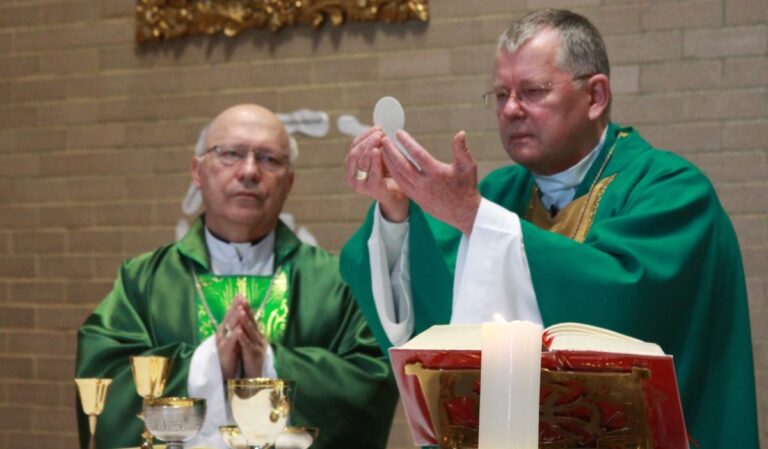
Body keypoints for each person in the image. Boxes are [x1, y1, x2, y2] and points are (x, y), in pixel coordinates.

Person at [340, 9, 759, 449]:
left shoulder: (673, 191)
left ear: (595, 96)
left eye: (532, 91)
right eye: (501, 94)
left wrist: (471, 216)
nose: (511, 109)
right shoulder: (499, 194)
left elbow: (627, 300)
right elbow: (437, 309)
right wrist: (396, 211)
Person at [75, 104, 398, 449]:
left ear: (289, 182)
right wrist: (207, 363)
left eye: (269, 159)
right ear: (197, 172)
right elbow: (103, 382)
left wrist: (271, 366)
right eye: (231, 154)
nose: (249, 171)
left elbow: (372, 384)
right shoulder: (143, 281)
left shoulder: (337, 283)